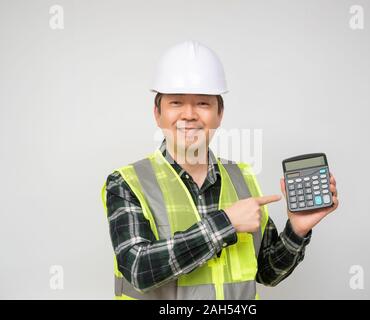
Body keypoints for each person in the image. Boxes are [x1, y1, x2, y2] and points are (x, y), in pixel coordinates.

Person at [101, 41, 339, 300]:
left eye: (203, 103)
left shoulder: (241, 179)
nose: (189, 114)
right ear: (157, 114)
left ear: (219, 114)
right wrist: (225, 224)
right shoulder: (127, 182)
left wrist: (297, 230)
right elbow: (139, 270)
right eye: (176, 103)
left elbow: (268, 274)